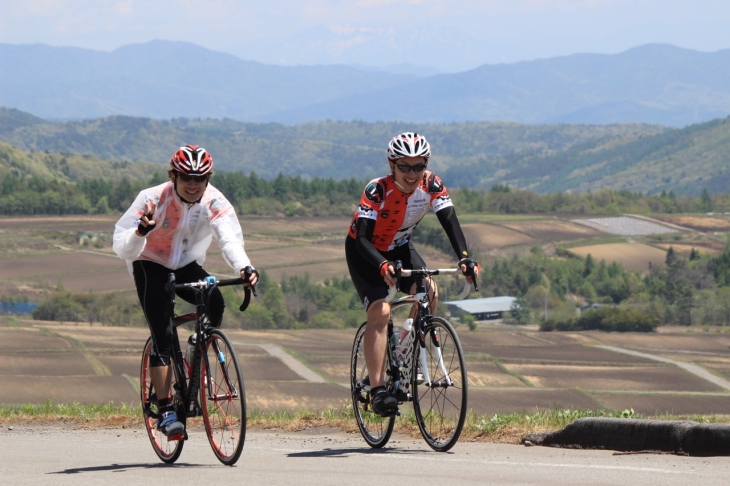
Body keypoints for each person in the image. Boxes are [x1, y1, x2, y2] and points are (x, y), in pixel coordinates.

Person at [113, 144, 258, 437]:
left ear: (207, 180)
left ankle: (196, 352)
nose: (193, 185)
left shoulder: (215, 201)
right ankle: (165, 410)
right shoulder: (151, 199)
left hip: (186, 264)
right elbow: (120, 245)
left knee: (214, 302)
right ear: (173, 176)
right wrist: (141, 232)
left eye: (200, 179)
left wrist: (244, 267)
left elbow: (228, 238)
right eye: (186, 177)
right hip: (149, 262)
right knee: (163, 335)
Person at [345, 132, 478, 414]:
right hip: (365, 252)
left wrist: (464, 259)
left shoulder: (431, 184)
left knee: (428, 291)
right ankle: (378, 390)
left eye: (419, 166)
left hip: (400, 246)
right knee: (381, 311)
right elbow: (363, 239)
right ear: (392, 165)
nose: (412, 173)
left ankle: (409, 352)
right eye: (405, 166)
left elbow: (451, 223)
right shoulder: (376, 190)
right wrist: (381, 265)